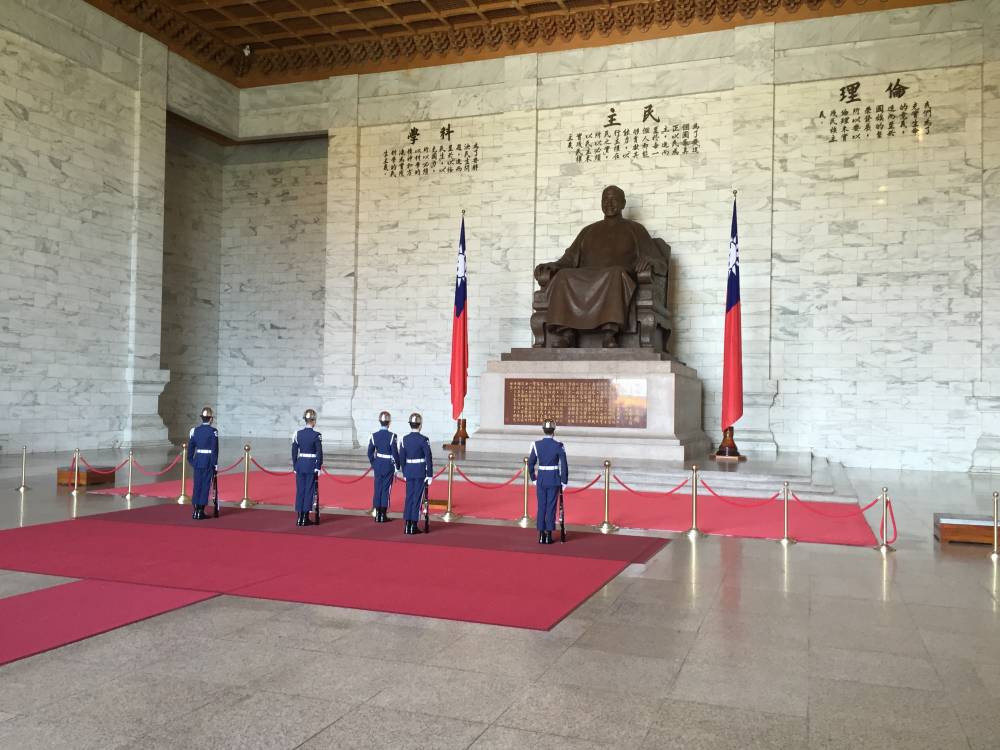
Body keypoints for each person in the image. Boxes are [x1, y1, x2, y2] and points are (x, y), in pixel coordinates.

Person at [534, 185, 667, 348]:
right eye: (605, 199)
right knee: (563, 275)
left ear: (623, 203)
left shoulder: (635, 229)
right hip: (588, 275)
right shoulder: (588, 230)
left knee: (615, 273)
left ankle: (610, 332)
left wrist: (649, 261)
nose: (609, 203)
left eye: (614, 200)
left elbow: (659, 262)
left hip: (616, 275)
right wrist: (552, 265)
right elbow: (569, 258)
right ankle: (567, 333)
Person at [527, 418, 569, 544]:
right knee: (551, 507)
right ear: (554, 431)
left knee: (541, 506)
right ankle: (548, 534)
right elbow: (564, 465)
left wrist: (534, 478)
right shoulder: (559, 445)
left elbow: (530, 464)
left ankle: (541, 534)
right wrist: (564, 481)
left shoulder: (536, 445)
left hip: (541, 479)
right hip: (554, 479)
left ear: (543, 430)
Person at [398, 412, 432, 535]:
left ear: (410, 425)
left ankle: (407, 524)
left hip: (409, 471)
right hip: (419, 472)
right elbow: (428, 457)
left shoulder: (404, 439)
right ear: (420, 425)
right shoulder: (424, 439)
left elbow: (402, 458)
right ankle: (413, 525)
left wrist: (405, 472)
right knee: (417, 498)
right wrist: (430, 474)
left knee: (409, 498)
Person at [186, 406, 218, 520]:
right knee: (205, 486)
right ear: (210, 419)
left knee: (197, 486)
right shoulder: (213, 431)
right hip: (208, 462)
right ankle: (201, 511)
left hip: (198, 461)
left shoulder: (195, 431)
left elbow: (190, 449)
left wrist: (192, 461)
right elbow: (214, 450)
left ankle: (195, 511)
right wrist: (215, 464)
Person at [367, 410, 400, 523]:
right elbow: (395, 453)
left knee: (378, 488)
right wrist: (397, 466)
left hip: (378, 463)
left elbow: (369, 452)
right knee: (386, 489)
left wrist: (374, 463)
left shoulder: (374, 435)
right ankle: (383, 515)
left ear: (379, 422)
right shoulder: (392, 436)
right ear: (389, 423)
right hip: (387, 465)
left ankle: (377, 514)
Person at [292, 408, 323, 527]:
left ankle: (299, 517)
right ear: (313, 421)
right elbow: (319, 452)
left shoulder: (297, 434)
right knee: (309, 490)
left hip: (300, 464)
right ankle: (305, 517)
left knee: (300, 490)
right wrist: (318, 466)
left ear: (305, 420)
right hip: (310, 465)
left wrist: (295, 465)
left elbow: (294, 451)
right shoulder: (316, 435)